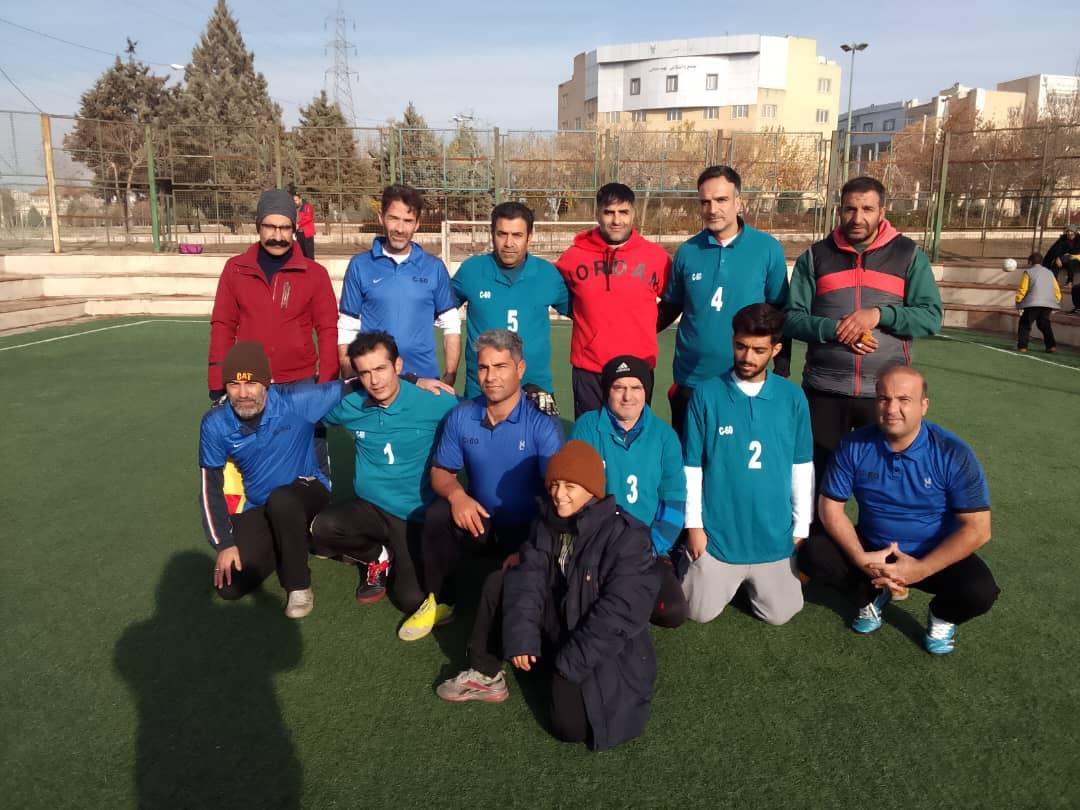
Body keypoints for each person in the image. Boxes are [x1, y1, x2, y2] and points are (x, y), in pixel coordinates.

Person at [436, 441, 660, 753]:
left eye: (570, 486)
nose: (559, 494)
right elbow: (529, 579)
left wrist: (569, 664)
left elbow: (617, 615)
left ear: (592, 490)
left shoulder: (627, 536)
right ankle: (485, 671)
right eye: (554, 484)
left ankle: (552, 667)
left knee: (570, 728)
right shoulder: (546, 521)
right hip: (562, 619)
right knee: (501, 581)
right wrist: (522, 638)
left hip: (599, 644)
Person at [797, 367, 999, 655]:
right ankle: (870, 596)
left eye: (904, 400)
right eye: (884, 399)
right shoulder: (854, 444)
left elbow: (978, 529)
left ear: (923, 405)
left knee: (979, 591)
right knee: (815, 551)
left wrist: (920, 569)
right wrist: (860, 558)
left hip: (931, 554)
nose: (892, 409)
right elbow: (830, 508)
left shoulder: (953, 452)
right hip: (874, 551)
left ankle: (942, 615)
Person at [398, 329, 564, 642]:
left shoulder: (542, 423)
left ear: (520, 369)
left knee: (514, 612)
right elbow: (441, 472)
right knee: (437, 514)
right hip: (481, 522)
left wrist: (536, 544)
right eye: (484, 367)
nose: (491, 377)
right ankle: (440, 600)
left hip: (527, 529)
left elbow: (558, 494)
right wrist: (457, 495)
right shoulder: (463, 415)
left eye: (500, 367)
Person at [785, 175, 942, 496]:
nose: (857, 218)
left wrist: (879, 315)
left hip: (884, 394)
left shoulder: (908, 254)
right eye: (850, 209)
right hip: (825, 390)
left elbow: (931, 316)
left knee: (888, 486)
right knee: (819, 484)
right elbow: (792, 319)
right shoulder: (815, 256)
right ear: (839, 211)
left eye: (867, 209)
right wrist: (836, 329)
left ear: (882, 211)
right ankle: (820, 530)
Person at [681, 304, 813, 626]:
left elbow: (802, 466)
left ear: (775, 350)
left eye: (758, 350)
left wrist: (801, 527)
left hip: (772, 537)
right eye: (741, 346)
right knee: (697, 612)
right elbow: (692, 468)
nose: (747, 357)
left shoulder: (792, 397)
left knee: (780, 615)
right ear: (733, 342)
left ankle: (753, 580)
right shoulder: (706, 394)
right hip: (719, 535)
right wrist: (694, 527)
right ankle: (698, 566)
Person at [198, 342, 348, 618]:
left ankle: (298, 585)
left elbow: (353, 385)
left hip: (308, 491)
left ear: (267, 383)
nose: (243, 394)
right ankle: (295, 539)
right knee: (230, 586)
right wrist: (224, 544)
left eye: (251, 383)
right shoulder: (215, 424)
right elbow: (210, 488)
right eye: (234, 384)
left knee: (283, 500)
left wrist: (414, 380)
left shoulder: (297, 400)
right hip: (261, 505)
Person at [310, 331, 457, 611]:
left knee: (411, 599)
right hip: (372, 507)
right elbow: (308, 413)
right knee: (323, 528)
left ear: (397, 365)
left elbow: (476, 419)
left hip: (414, 512)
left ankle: (403, 553)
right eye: (365, 373)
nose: (375, 381)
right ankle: (378, 555)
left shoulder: (435, 400)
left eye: (380, 369)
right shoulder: (351, 404)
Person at [658, 166, 790, 437]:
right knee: (689, 457)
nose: (712, 209)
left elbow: (779, 311)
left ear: (738, 202)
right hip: (691, 380)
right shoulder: (687, 251)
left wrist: (782, 367)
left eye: (721, 200)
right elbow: (670, 307)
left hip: (744, 379)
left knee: (735, 457)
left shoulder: (767, 249)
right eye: (705, 202)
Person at [570, 354, 687, 628]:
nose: (627, 396)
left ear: (646, 392)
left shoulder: (664, 436)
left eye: (636, 388)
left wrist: (652, 547)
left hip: (647, 547)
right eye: (618, 387)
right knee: (583, 608)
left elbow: (674, 501)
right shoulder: (587, 427)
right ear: (606, 391)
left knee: (671, 611)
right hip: (598, 544)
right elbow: (574, 495)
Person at [207, 189, 337, 399]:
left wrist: (327, 383)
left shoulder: (315, 274)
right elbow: (223, 325)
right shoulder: (235, 269)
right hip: (248, 380)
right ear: (258, 226)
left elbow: (328, 329)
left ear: (294, 228)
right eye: (270, 227)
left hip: (301, 382)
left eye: (285, 228)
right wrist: (217, 379)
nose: (278, 236)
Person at [556, 182, 671, 418]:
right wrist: (586, 319)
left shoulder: (656, 257)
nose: (617, 220)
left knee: (634, 435)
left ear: (633, 213)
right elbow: (558, 295)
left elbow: (674, 300)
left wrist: (648, 327)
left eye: (623, 212)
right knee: (590, 435)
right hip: (589, 368)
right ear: (597, 213)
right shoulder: (573, 256)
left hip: (638, 367)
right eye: (609, 212)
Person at [337, 184, 461, 386]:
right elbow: (347, 327)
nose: (400, 228)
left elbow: (451, 324)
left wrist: (450, 376)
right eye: (393, 218)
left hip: (425, 379)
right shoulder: (360, 265)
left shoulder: (434, 267)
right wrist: (351, 377)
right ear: (381, 217)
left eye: (408, 221)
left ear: (417, 224)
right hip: (375, 382)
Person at [451, 202, 570, 404]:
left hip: (536, 389)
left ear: (529, 237)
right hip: (482, 389)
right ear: (492, 234)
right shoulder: (472, 270)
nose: (508, 243)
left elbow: (583, 313)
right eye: (502, 234)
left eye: (517, 235)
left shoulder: (547, 274)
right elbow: (437, 309)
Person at [1014, 251, 1060, 353]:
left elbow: (1023, 289)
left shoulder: (1028, 272)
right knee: (1044, 324)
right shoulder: (1050, 273)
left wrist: (1018, 301)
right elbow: (1056, 289)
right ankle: (1051, 346)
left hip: (1032, 303)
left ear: (1030, 262)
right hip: (1048, 303)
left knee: (1025, 324)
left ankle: (1022, 346)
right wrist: (1056, 300)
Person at [292, 189, 316, 260]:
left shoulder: (307, 207)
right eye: (294, 201)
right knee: (301, 253)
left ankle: (311, 266)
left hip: (307, 234)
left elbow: (308, 218)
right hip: (299, 233)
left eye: (296, 200)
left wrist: (298, 224)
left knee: (309, 253)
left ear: (300, 199)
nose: (295, 202)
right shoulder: (296, 209)